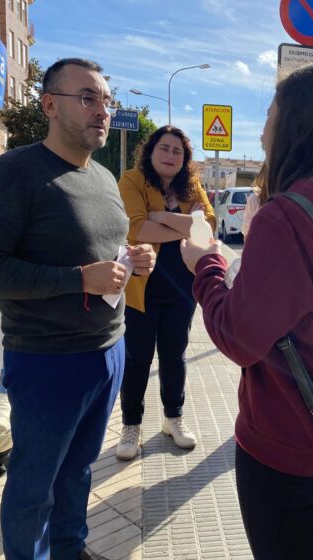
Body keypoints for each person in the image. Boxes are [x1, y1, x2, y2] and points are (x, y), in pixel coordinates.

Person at [180, 62, 313, 560]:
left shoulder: (287, 215)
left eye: (269, 114)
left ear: (294, 124)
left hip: (285, 436)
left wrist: (205, 263)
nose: (262, 130)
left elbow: (238, 337)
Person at [0, 58, 156, 560]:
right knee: (35, 483)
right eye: (88, 98)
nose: (102, 111)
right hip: (46, 360)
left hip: (108, 350)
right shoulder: (10, 175)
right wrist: (77, 280)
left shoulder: (105, 179)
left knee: (80, 469)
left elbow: (103, 251)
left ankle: (71, 549)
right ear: (49, 105)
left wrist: (134, 259)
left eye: (106, 100)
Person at [115, 126, 215, 458]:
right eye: (165, 148)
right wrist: (184, 223)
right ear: (151, 150)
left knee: (174, 355)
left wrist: (160, 217)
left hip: (183, 287)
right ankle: (131, 426)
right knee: (137, 358)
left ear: (185, 158)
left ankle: (173, 419)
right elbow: (137, 228)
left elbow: (208, 228)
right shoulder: (132, 180)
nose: (171, 155)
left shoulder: (192, 185)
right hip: (142, 287)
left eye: (178, 151)